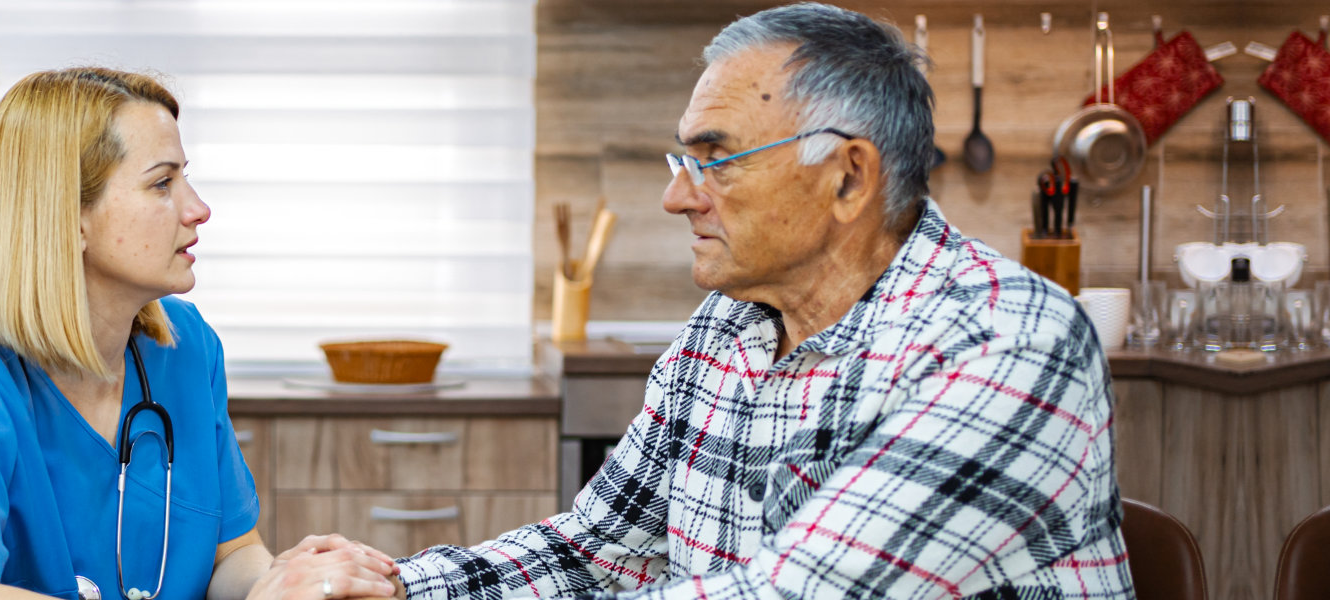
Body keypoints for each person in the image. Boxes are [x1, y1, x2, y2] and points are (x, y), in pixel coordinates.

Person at [385, 4, 1134, 599]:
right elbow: (599, 549)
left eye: (718, 161)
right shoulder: (728, 326)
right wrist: (397, 589)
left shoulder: (1008, 340)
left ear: (846, 178)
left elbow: (799, 592)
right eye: (684, 159)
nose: (678, 196)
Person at [0, 68, 399, 600]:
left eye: (185, 178)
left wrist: (282, 583)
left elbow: (232, 553)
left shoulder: (186, 348)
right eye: (161, 183)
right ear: (68, 216)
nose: (198, 208)